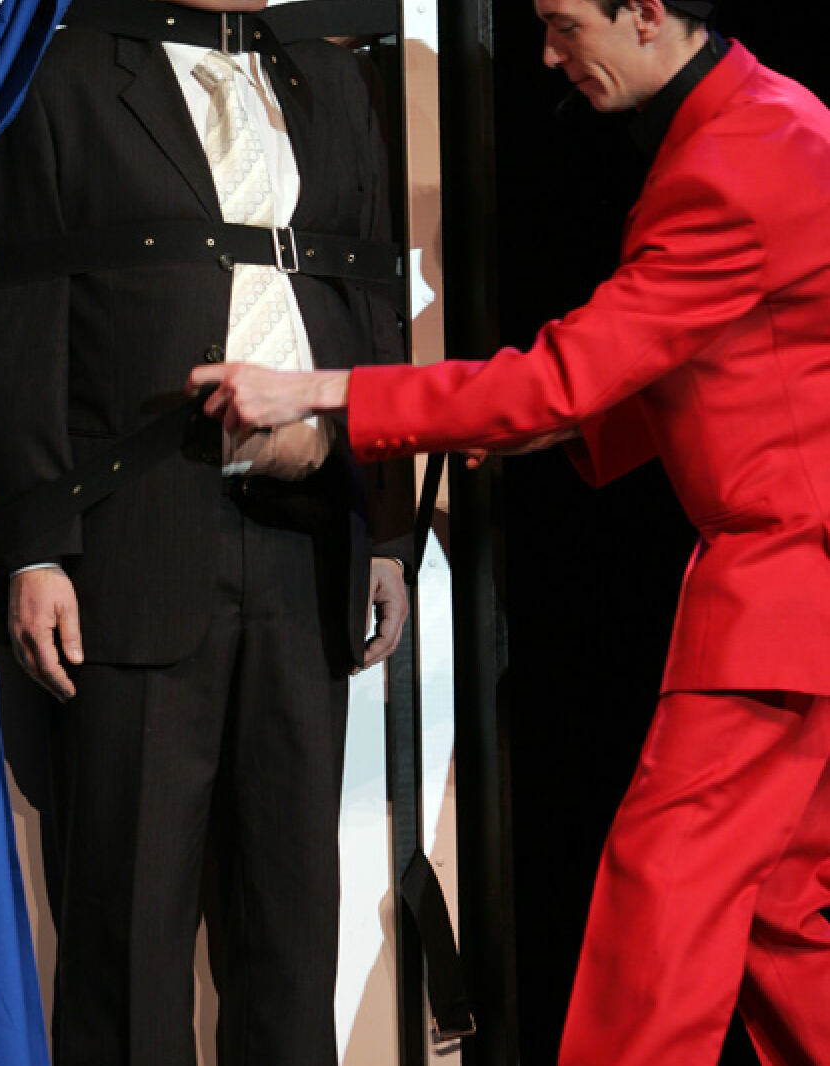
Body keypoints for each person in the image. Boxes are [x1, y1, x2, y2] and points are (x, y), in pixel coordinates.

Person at [189, 1, 830, 1063]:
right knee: (777, 915)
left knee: (660, 902)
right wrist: (542, 422)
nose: (546, 54)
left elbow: (569, 374)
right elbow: (741, 357)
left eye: (564, 24)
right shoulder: (771, 116)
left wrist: (316, 389)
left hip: (781, 592)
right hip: (797, 592)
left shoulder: (738, 159)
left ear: (646, 12)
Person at [0, 1, 412, 1063]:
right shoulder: (59, 76)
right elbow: (13, 322)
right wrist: (34, 542)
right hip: (136, 544)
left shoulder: (332, 82)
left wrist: (384, 527)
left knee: (291, 927)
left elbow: (368, 305)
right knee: (128, 936)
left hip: (304, 542)